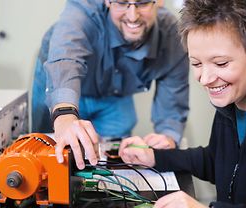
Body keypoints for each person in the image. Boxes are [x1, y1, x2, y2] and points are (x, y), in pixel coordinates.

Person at [118, 0, 246, 207]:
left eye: (221, 63)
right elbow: (216, 160)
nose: (206, 78)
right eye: (196, 64)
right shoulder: (232, 100)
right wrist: (155, 157)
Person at [34, 0, 190, 170]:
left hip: (115, 94)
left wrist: (168, 136)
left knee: (115, 161)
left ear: (159, 2)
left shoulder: (171, 33)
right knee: (49, 154)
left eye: (142, 3)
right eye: (122, 3)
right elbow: (66, 58)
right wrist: (64, 114)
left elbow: (173, 95)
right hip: (62, 86)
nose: (132, 16)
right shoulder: (83, 11)